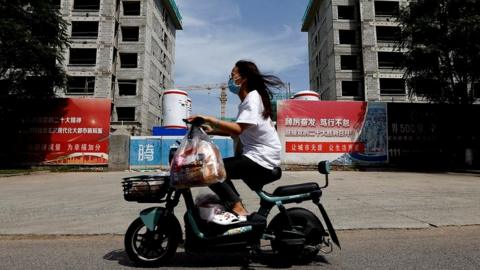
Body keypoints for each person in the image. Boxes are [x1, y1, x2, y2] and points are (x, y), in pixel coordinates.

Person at [188, 60, 284, 218]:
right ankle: (234, 205)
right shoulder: (250, 100)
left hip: (261, 158)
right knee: (217, 169)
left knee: (212, 170)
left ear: (243, 78)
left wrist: (210, 119)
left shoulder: (252, 99)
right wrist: (214, 131)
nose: (230, 80)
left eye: (232, 75)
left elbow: (239, 129)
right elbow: (241, 131)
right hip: (259, 156)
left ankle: (237, 208)